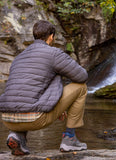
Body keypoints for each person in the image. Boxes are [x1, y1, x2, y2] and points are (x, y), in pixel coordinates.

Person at [0, 20, 88, 156]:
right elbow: (82, 76)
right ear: (51, 36)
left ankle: (18, 136)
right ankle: (69, 139)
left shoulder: (19, 58)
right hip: (34, 119)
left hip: (7, 118)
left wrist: (57, 100)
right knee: (81, 88)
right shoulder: (54, 54)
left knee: (26, 95)